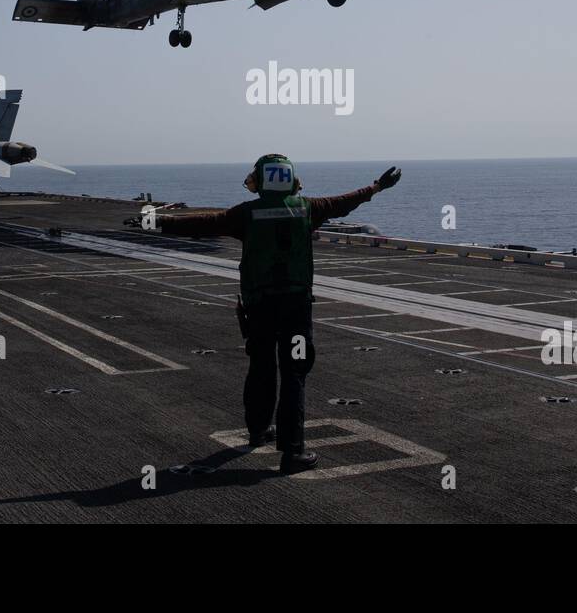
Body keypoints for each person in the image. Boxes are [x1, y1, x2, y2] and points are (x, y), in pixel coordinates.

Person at [128, 154, 401, 473]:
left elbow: (202, 224)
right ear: (292, 180)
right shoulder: (308, 209)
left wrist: (154, 221)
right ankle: (292, 452)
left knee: (260, 365)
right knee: (295, 373)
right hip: (296, 307)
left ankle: (258, 430)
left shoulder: (246, 214)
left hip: (258, 305)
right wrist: (378, 186)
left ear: (259, 181)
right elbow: (347, 201)